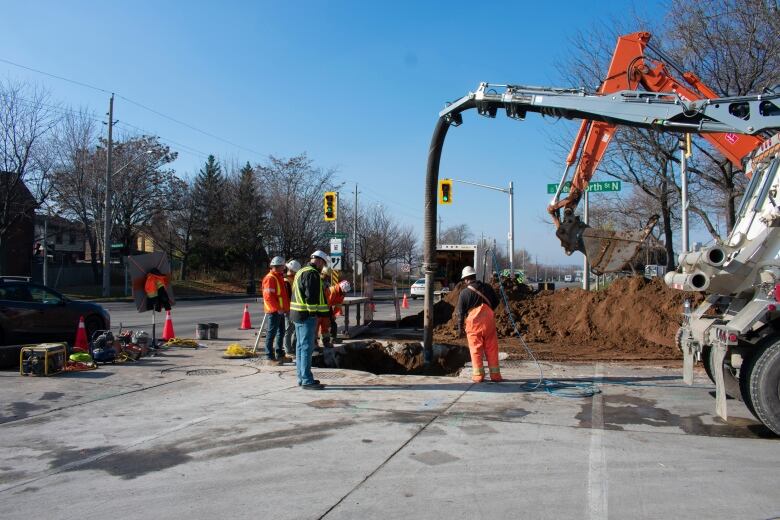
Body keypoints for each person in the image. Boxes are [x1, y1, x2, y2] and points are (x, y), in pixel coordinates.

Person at [290, 250, 331, 389]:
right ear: (319, 261)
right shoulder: (312, 274)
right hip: (306, 316)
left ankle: (302, 377)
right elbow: (311, 297)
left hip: (297, 314)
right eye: (323, 263)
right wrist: (313, 313)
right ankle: (307, 379)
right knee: (306, 347)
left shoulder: (301, 271)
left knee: (300, 347)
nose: (323, 267)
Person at [457, 266, 503, 383]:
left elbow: (461, 313)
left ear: (466, 279)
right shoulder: (487, 287)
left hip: (474, 325)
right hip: (489, 323)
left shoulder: (464, 293)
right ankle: (495, 376)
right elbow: (496, 302)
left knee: (476, 350)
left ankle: (478, 376)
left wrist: (460, 329)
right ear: (474, 276)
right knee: (492, 348)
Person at [262, 256, 290, 364]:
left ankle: (279, 354)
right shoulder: (270, 278)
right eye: (283, 266)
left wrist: (285, 309)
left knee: (281, 332)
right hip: (274, 311)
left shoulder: (279, 277)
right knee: (271, 333)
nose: (284, 268)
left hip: (280, 311)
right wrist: (277, 309)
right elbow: (269, 296)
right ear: (278, 266)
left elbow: (282, 296)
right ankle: (269, 356)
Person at [318, 279, 351, 348]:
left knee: (333, 323)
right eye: (344, 292)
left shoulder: (342, 293)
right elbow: (328, 303)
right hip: (324, 307)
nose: (345, 294)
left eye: (345, 292)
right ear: (341, 289)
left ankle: (332, 338)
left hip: (328, 307)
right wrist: (328, 315)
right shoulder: (333, 291)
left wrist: (334, 315)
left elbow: (338, 305)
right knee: (325, 324)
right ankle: (323, 340)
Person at [283, 259, 301, 359]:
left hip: (294, 307)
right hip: (290, 308)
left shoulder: (293, 279)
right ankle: (288, 350)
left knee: (293, 329)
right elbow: (288, 296)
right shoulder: (287, 281)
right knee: (289, 329)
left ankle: (292, 348)